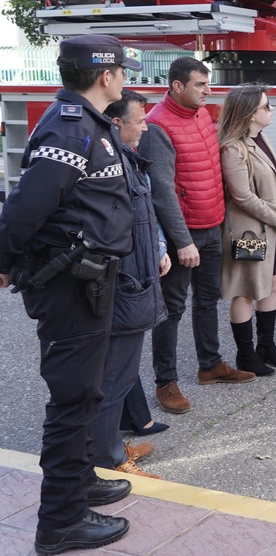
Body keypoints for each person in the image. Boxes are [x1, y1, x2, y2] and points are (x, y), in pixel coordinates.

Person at [0, 35, 141, 554]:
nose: (125, 77)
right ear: (105, 76)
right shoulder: (71, 128)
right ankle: (60, 522)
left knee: (87, 390)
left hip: (91, 282)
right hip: (71, 286)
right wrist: (2, 262)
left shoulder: (87, 123)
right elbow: (24, 208)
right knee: (73, 398)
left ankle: (80, 482)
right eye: (122, 69)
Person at [140, 57, 255, 416]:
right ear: (177, 86)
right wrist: (182, 241)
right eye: (200, 85)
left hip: (211, 226)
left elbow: (210, 172)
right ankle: (165, 382)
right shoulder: (158, 126)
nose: (208, 91)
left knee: (208, 301)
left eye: (209, 83)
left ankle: (210, 365)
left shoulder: (202, 115)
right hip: (183, 236)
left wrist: (221, 222)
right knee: (171, 309)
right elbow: (162, 191)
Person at [89, 89, 170, 481]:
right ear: (117, 123)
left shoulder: (126, 160)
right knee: (113, 377)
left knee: (117, 374)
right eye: (140, 120)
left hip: (135, 279)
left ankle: (107, 446)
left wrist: (158, 246)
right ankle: (107, 460)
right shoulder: (109, 166)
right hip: (123, 286)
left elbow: (143, 216)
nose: (146, 125)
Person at [217, 83, 276, 375]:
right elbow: (242, 196)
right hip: (249, 233)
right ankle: (245, 355)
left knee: (273, 283)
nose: (271, 110)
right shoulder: (232, 147)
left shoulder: (262, 137)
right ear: (250, 113)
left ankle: (266, 346)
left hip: (273, 227)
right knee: (246, 291)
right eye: (266, 106)